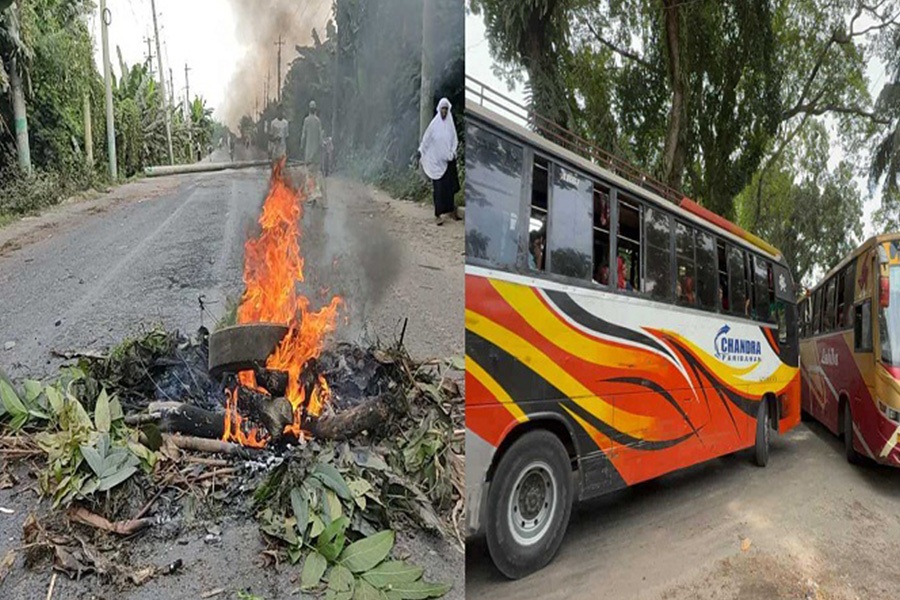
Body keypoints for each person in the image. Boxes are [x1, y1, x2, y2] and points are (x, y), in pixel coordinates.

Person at [417, 98, 460, 225]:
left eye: (446, 109)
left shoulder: (450, 125)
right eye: (442, 109)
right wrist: (420, 151)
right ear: (439, 109)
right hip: (436, 163)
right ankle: (438, 215)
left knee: (449, 187)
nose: (444, 111)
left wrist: (452, 152)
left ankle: (450, 210)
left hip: (448, 161)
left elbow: (454, 141)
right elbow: (426, 140)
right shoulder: (434, 125)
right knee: (438, 189)